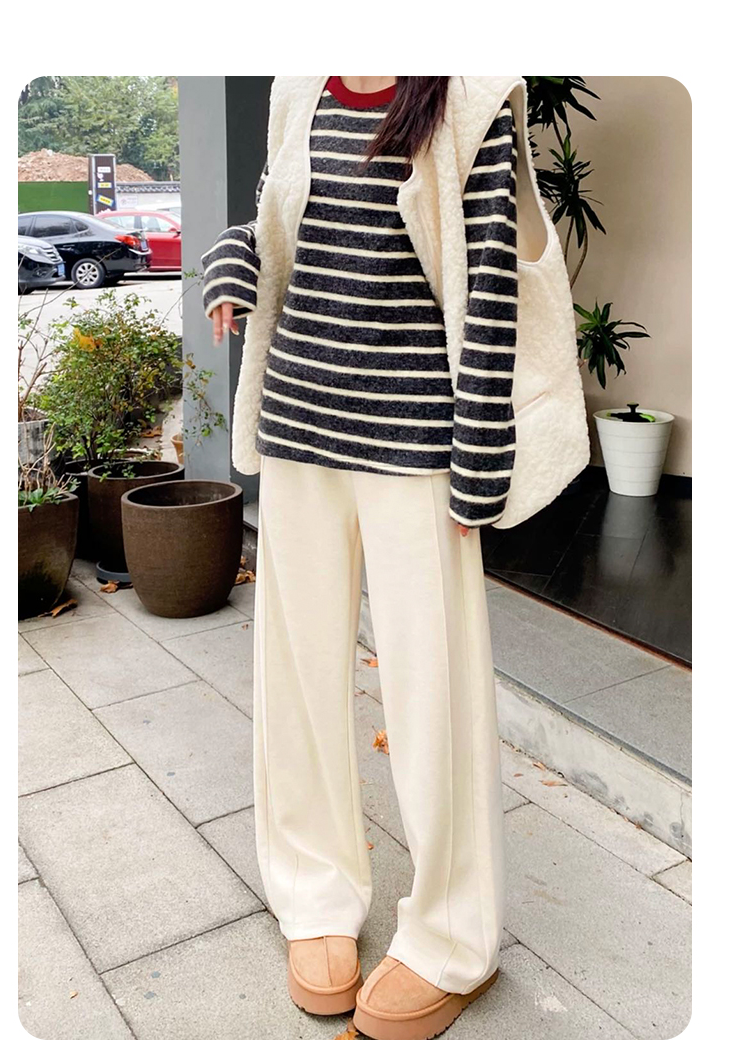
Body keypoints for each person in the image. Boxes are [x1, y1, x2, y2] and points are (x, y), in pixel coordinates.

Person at [202, 75, 588, 1040]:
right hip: (299, 431)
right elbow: (278, 220)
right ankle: (314, 892)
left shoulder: (469, 94)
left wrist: (479, 466)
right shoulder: (302, 83)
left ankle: (452, 937)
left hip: (417, 446)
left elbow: (492, 284)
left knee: (435, 697)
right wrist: (232, 260)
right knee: (297, 682)